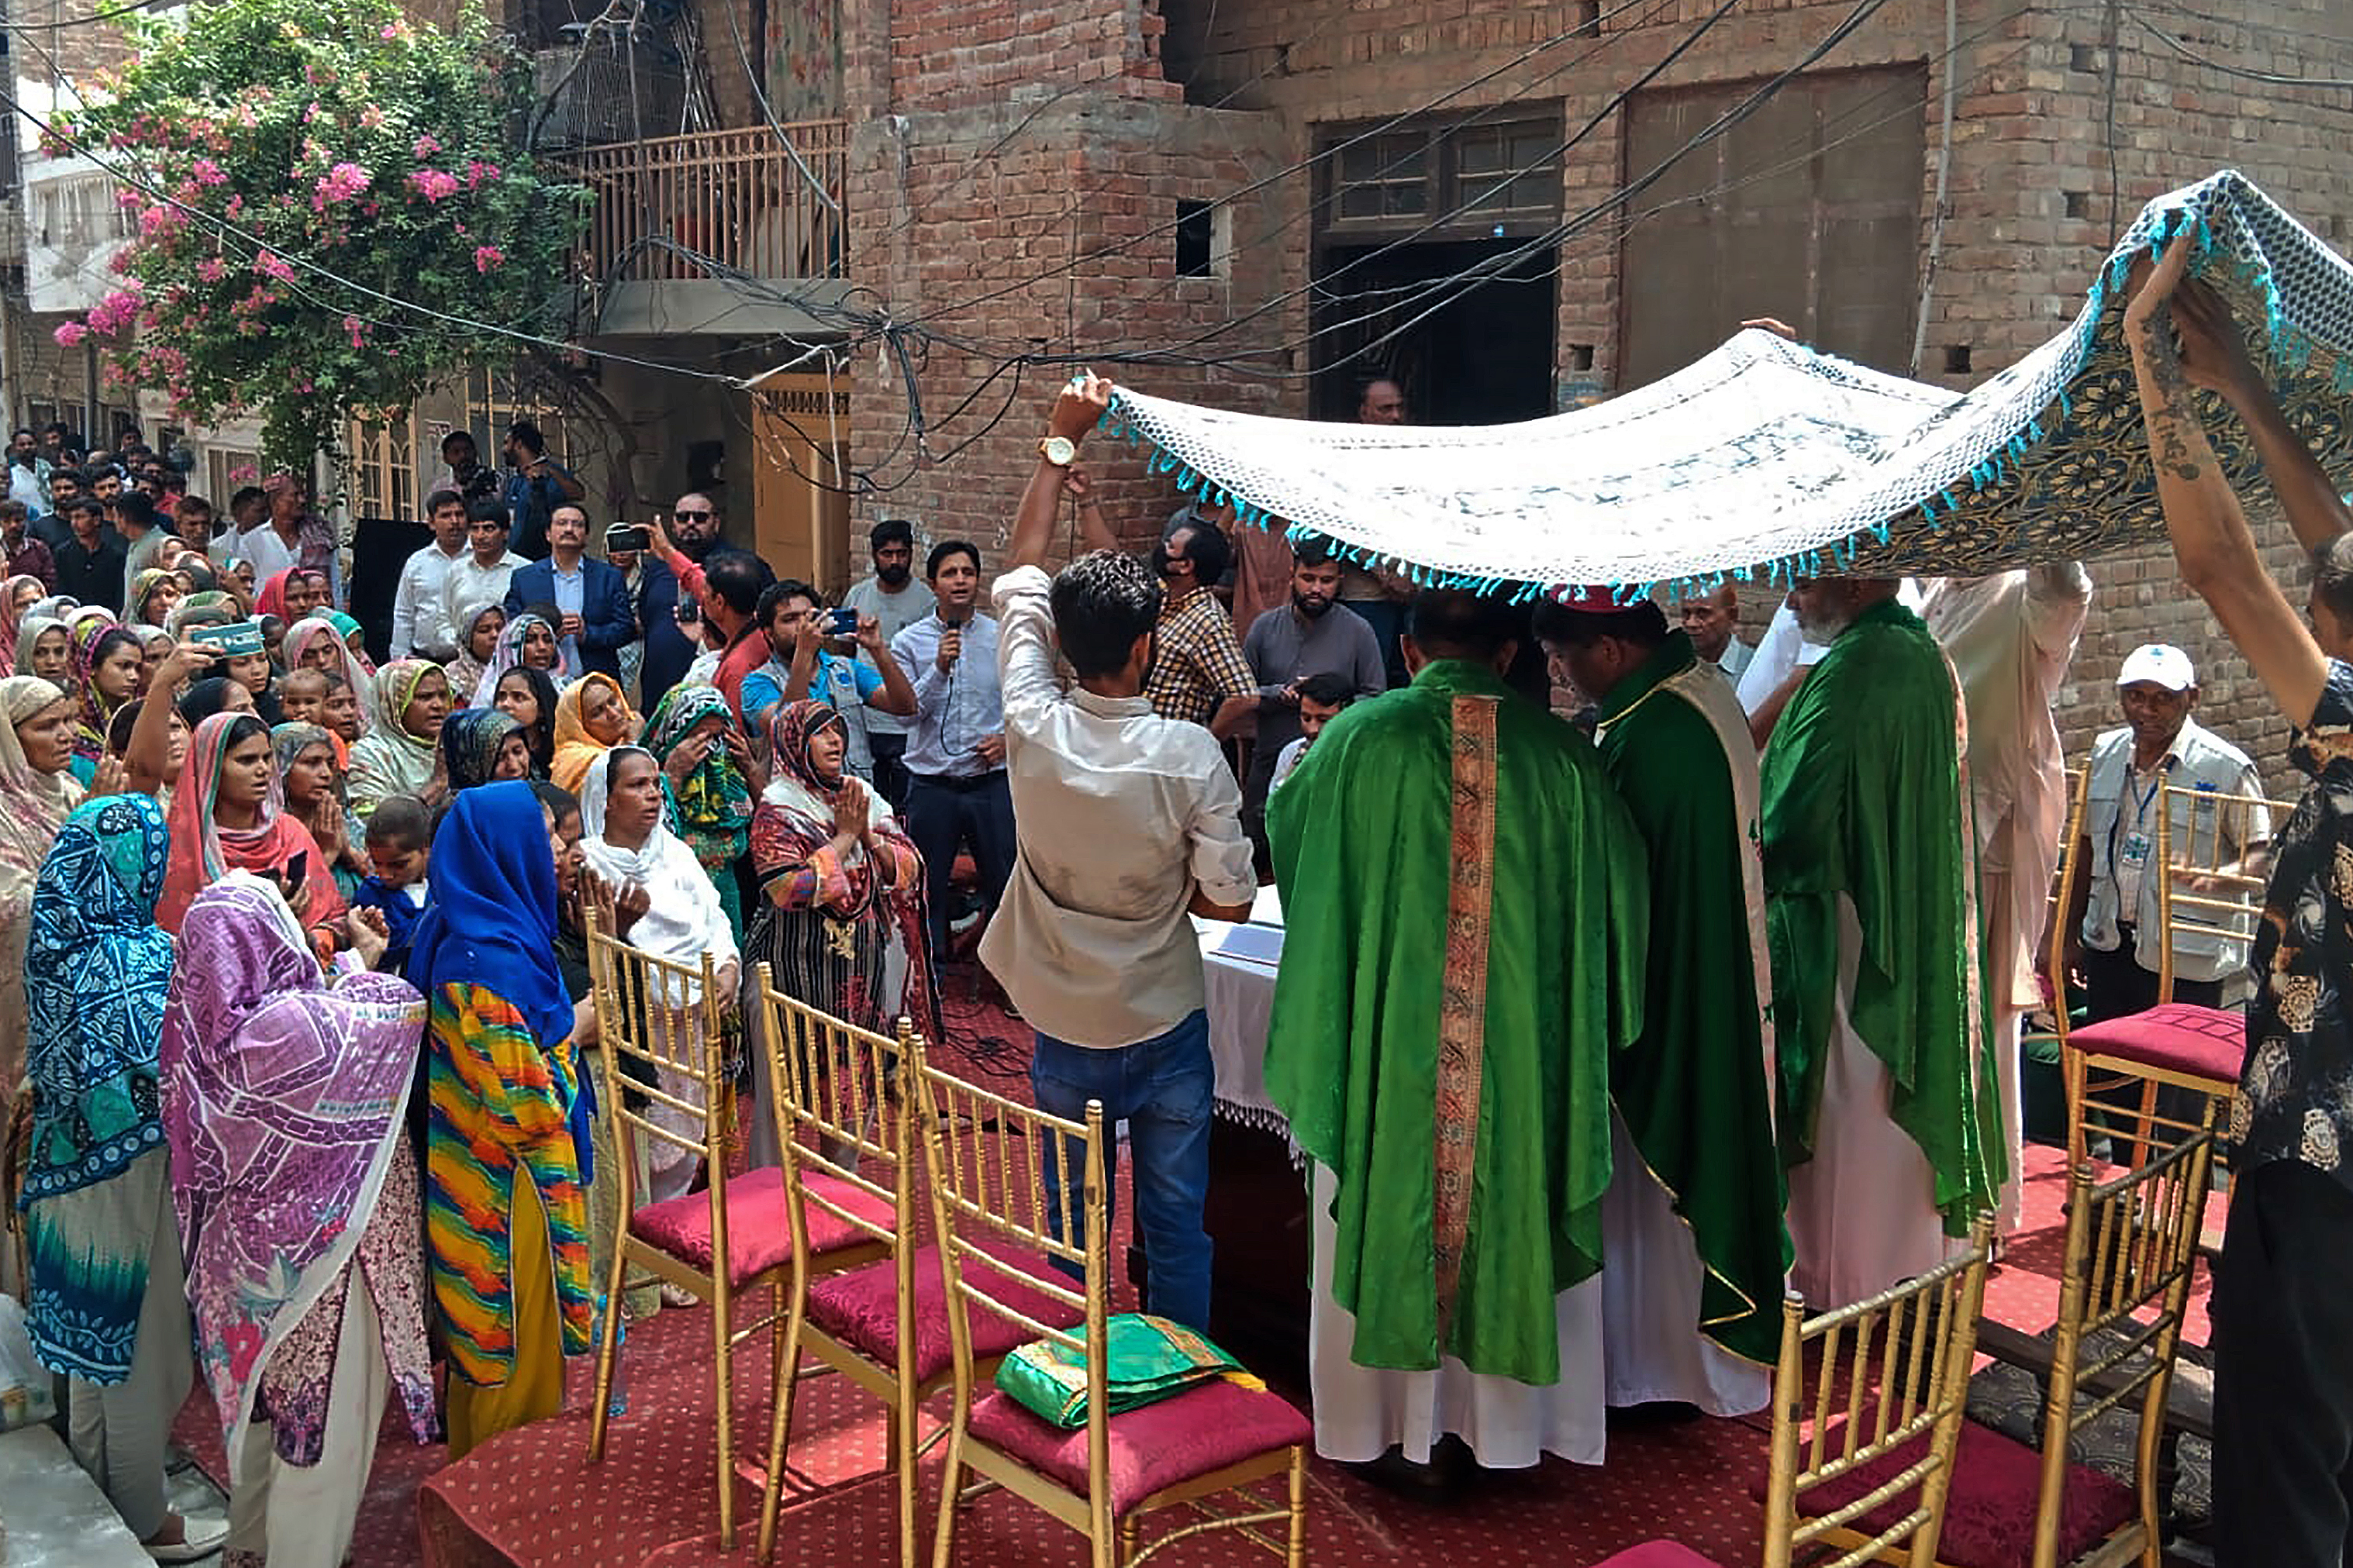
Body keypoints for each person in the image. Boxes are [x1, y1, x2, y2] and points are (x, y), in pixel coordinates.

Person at [1266, 580, 1648, 1481]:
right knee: (1504, 1196)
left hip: (1391, 1054)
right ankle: (1505, 1432)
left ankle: (1379, 1426)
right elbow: (1621, 901)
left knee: (1389, 1189)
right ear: (1510, 657)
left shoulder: (1357, 739)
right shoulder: (1563, 760)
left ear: (1407, 652)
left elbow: (1290, 836)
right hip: (1516, 1065)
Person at [2124, 236, 2353, 1568]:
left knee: (2284, 1458)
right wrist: (2245, 385)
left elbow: (2228, 570)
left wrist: (2164, 378)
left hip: (2318, 1163)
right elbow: (2327, 549)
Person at [985, 375, 1258, 1333]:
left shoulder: (1030, 720)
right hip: (1164, 1015)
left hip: (1062, 1018)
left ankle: (1074, 1362)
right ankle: (1179, 1371)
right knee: (1176, 1224)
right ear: (1148, 648)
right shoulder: (1186, 756)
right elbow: (1227, 909)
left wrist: (1057, 444)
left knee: (1069, 1227)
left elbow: (1020, 565)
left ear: (1060, 639)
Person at [1532, 592, 1787, 1413]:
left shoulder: (1655, 736)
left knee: (1659, 1174)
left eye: (1568, 659)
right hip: (1716, 972)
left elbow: (1617, 889)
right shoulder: (1693, 689)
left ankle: (1656, 1371)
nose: (1565, 679)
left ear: (1607, 648)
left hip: (1677, 989)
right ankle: (1660, 1365)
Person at [161, 874, 436, 1568]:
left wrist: (345, 968)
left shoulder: (198, 1034)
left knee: (268, 1423)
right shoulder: (289, 1029)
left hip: (254, 1289)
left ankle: (251, 1549)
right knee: (326, 1438)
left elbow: (332, 1005)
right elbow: (398, 1008)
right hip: (328, 1273)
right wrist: (360, 961)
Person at [1761, 575, 2003, 1310]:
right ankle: (1911, 1274)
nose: (1792, 599)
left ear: (1855, 578)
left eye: (1804, 581)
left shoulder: (1857, 667)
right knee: (1890, 1092)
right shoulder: (1919, 649)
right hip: (1910, 904)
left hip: (1854, 925)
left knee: (1852, 1095)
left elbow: (1791, 820)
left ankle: (1842, 1285)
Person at [19, 792, 229, 1561]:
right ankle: (148, 1522)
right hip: (134, 1185)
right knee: (145, 1358)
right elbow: (180, 1071)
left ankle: (98, 1487)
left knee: (86, 1345)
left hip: (63, 1177)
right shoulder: (140, 958)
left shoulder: (55, 947)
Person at [407, 781, 594, 1459]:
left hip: (483, 1172)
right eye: (545, 835)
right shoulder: (483, 967)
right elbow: (527, 1106)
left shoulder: (481, 931)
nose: (558, 847)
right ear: (504, 849)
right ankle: (495, 1494)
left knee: (491, 1346)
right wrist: (573, 1035)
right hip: (504, 1191)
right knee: (509, 1343)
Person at [1917, 563, 2093, 1230]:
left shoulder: (2027, 592)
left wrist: (2040, 515)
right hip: (1927, 834)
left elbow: (2066, 597)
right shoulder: (1936, 591)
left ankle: (1982, 1206)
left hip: (1987, 841)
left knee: (1982, 1030)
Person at [744, 700, 937, 1170]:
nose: (835, 741)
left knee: (854, 1096)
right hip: (791, 980)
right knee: (780, 1100)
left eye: (838, 731)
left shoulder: (862, 796)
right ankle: (767, 1207)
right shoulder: (778, 811)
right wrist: (847, 838)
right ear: (793, 744)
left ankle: (841, 1198)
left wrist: (868, 837)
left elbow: (910, 867)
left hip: (856, 982)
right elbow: (791, 887)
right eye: (820, 733)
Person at [2061, 643, 2268, 1024]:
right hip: (2110, 946)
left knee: (2176, 1078)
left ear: (2192, 699)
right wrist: (2065, 935)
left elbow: (2260, 855)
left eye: (2163, 699)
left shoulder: (2225, 768)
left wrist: (2219, 878)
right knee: (2109, 1072)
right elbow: (2084, 847)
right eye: (2135, 696)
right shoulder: (2105, 752)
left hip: (2187, 958)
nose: (2146, 710)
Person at [579, 746, 742, 1204]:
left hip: (692, 1025)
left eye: (655, 784)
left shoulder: (675, 853)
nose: (653, 795)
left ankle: (671, 1248)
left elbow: (716, 920)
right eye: (636, 786)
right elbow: (596, 953)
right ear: (606, 799)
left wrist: (728, 968)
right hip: (637, 1031)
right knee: (638, 1153)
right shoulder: (588, 866)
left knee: (687, 1147)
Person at [888, 540, 1016, 959]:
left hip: (989, 785)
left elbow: (1025, 706)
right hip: (932, 785)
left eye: (968, 572)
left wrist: (1007, 742)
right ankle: (932, 981)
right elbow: (907, 715)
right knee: (927, 888)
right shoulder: (908, 643)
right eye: (949, 573)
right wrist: (939, 668)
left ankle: (1006, 980)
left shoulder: (1001, 639)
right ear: (933, 584)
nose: (960, 580)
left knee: (1005, 884)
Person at [1068, 468, 1254, 737]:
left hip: (1163, 751)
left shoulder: (1208, 620)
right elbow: (1110, 557)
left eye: (1170, 547)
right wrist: (1087, 499)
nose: (1162, 547)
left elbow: (1245, 696)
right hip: (1125, 739)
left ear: (1185, 566)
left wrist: (1204, 743)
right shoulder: (1158, 594)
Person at [1240, 539, 1386, 843]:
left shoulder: (1359, 631)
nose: (1316, 589)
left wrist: (1330, 700)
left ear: (1340, 582)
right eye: (1308, 579)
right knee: (1259, 849)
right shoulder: (1265, 628)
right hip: (1269, 763)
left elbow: (1375, 699)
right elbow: (1241, 692)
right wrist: (1278, 694)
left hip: (1333, 769)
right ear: (1292, 575)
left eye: (1326, 581)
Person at [159, 710, 347, 942]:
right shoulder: (186, 847)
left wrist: (309, 935)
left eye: (267, 758)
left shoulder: (290, 833)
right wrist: (271, 920)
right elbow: (178, 937)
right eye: (247, 760)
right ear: (211, 766)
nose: (263, 770)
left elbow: (335, 919)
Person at [0, 677, 82, 1096]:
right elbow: (16, 905)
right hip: (20, 992)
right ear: (10, 739)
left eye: (69, 720)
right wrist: (81, 843)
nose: (67, 735)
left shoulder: (68, 790)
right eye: (47, 726)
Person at [740, 580, 917, 774]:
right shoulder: (757, 683)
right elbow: (787, 730)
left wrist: (878, 649)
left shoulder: (844, 668)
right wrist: (804, 654)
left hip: (854, 793)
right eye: (790, 619)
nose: (803, 625)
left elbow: (905, 706)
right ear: (769, 634)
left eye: (811, 616)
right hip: (800, 798)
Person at [639, 682, 756, 941]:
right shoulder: (645, 780)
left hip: (727, 900)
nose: (710, 749)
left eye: (717, 737)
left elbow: (756, 819)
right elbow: (648, 841)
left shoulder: (729, 776)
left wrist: (749, 765)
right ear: (675, 735)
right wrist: (673, 777)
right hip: (675, 905)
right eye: (699, 738)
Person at [840, 519, 935, 808]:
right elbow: (845, 650)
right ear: (874, 555)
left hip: (907, 723)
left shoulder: (927, 602)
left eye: (902, 553)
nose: (895, 561)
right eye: (887, 554)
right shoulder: (858, 595)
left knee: (906, 804)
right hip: (866, 718)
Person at [644, 516, 768, 722]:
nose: (700, 597)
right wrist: (666, 550)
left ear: (719, 602)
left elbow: (733, 734)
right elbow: (694, 578)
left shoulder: (738, 667)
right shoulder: (756, 626)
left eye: (705, 595)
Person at [503, 504, 635, 678]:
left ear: (586, 536)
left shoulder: (609, 577)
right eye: (562, 523)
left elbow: (626, 629)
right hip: (540, 679)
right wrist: (544, 635)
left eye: (577, 525)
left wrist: (587, 633)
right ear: (548, 534)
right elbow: (511, 628)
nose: (569, 529)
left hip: (597, 679)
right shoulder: (524, 578)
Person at [637, 492, 735, 711]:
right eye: (683, 517)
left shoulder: (735, 567)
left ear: (716, 523)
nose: (690, 523)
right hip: (659, 691)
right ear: (673, 525)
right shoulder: (656, 569)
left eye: (700, 518)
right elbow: (646, 618)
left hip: (714, 691)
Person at [345, 660, 451, 822]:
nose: (438, 705)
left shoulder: (455, 745)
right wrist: (436, 787)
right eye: (425, 697)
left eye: (443, 696)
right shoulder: (371, 755)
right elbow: (372, 823)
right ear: (395, 703)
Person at [274, 720, 364, 898]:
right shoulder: (271, 833)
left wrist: (349, 854)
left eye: (329, 763)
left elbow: (390, 878)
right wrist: (326, 854)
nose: (326, 773)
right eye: (311, 763)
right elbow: (293, 902)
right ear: (281, 768)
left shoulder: (340, 820)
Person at [352, 794, 434, 973]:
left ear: (425, 850)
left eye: (398, 865)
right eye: (377, 863)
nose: (385, 875)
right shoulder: (371, 896)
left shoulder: (440, 893)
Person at [392, 489, 473, 658]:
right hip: (425, 660)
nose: (455, 522)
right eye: (445, 516)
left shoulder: (480, 559)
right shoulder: (417, 563)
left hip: (471, 663)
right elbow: (404, 613)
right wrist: (400, 656)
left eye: (459, 514)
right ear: (431, 523)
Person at [236, 474, 340, 603]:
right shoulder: (251, 542)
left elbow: (334, 583)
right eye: (295, 496)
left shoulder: (321, 535)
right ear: (275, 501)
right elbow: (248, 588)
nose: (302, 501)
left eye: (303, 495)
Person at [442, 501, 527, 645]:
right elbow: (442, 618)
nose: (480, 536)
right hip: (460, 657)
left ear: (505, 533)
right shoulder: (456, 570)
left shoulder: (524, 570)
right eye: (475, 529)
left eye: (488, 529)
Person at [500, 420, 584, 562]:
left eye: (507, 443)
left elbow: (578, 493)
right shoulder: (516, 481)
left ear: (519, 445)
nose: (503, 449)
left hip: (545, 558)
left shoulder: (551, 473)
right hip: (516, 558)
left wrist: (547, 471)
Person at [281, 615, 375, 735]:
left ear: (340, 651)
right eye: (310, 655)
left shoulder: (364, 692)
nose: (321, 660)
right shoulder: (288, 714)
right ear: (295, 660)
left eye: (327, 651)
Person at [547, 670, 637, 794]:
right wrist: (633, 744)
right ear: (579, 727)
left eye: (612, 702)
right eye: (597, 713)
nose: (613, 714)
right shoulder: (581, 763)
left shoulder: (618, 743)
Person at [1266, 672, 1351, 795]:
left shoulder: (1360, 757)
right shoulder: (1291, 752)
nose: (1312, 729)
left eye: (1323, 720)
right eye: (1306, 718)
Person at [54, 498, 126, 612]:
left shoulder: (115, 555)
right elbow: (61, 591)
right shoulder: (63, 553)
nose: (74, 523)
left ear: (96, 520)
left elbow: (119, 594)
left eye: (80, 517)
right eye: (72, 518)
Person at [441, 706, 536, 792]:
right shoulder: (461, 809)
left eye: (518, 752)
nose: (513, 766)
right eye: (499, 758)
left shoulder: (543, 798)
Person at [1676, 583, 1755, 684]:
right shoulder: (1674, 666)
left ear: (1732, 616)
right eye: (1686, 614)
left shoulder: (1755, 668)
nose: (1691, 623)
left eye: (1703, 614)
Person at [493, 664, 561, 778]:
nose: (506, 704)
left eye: (518, 697)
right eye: (501, 697)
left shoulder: (557, 753)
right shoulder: (488, 751)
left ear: (541, 709)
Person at [113, 491, 169, 607]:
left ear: (123, 517)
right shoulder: (135, 544)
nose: (114, 521)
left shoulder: (161, 544)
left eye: (115, 516)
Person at [444, 603, 505, 702]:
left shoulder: (517, 669)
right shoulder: (453, 676)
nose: (495, 635)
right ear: (468, 640)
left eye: (500, 629)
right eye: (484, 630)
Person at [2, 499, 56, 588]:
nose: (13, 525)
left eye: (18, 521)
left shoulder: (39, 549)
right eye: (7, 521)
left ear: (26, 521)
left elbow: (50, 581)